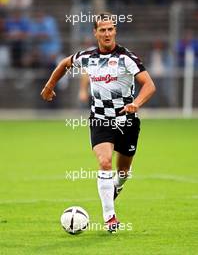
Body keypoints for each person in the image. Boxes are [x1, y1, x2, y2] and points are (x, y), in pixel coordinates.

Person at [41, 12, 156, 233]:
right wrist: (49, 86)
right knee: (104, 162)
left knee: (123, 172)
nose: (107, 33)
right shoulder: (87, 56)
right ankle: (109, 217)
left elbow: (149, 85)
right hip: (100, 121)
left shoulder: (127, 58)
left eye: (110, 29)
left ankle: (116, 186)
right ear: (95, 33)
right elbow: (65, 63)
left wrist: (137, 103)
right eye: (102, 30)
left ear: (115, 31)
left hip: (127, 121)